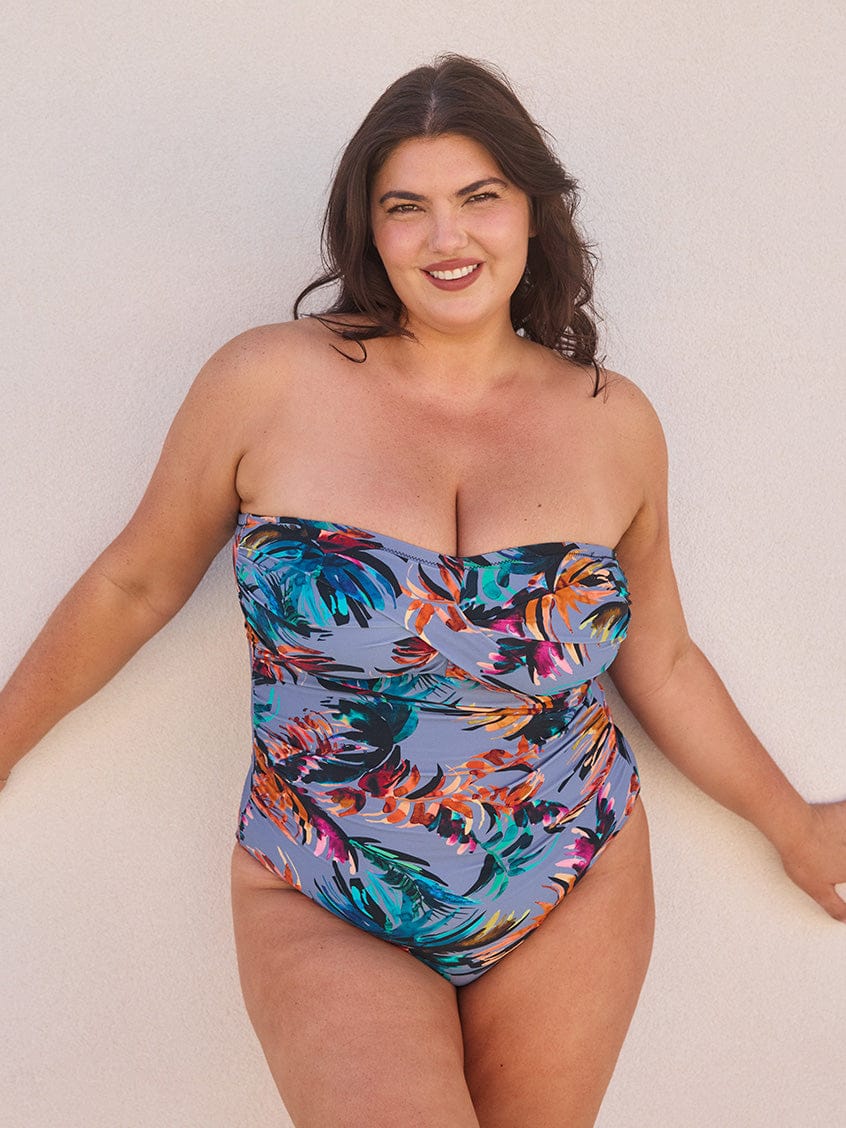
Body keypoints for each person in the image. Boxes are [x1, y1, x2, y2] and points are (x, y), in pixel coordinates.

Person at [2, 52, 844, 1128]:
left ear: (532, 212)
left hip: (567, 865)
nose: (447, 239)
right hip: (324, 878)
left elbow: (662, 658)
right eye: (408, 208)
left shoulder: (613, 422)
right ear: (370, 230)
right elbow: (134, 582)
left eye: (478, 199)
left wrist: (792, 825)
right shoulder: (267, 382)